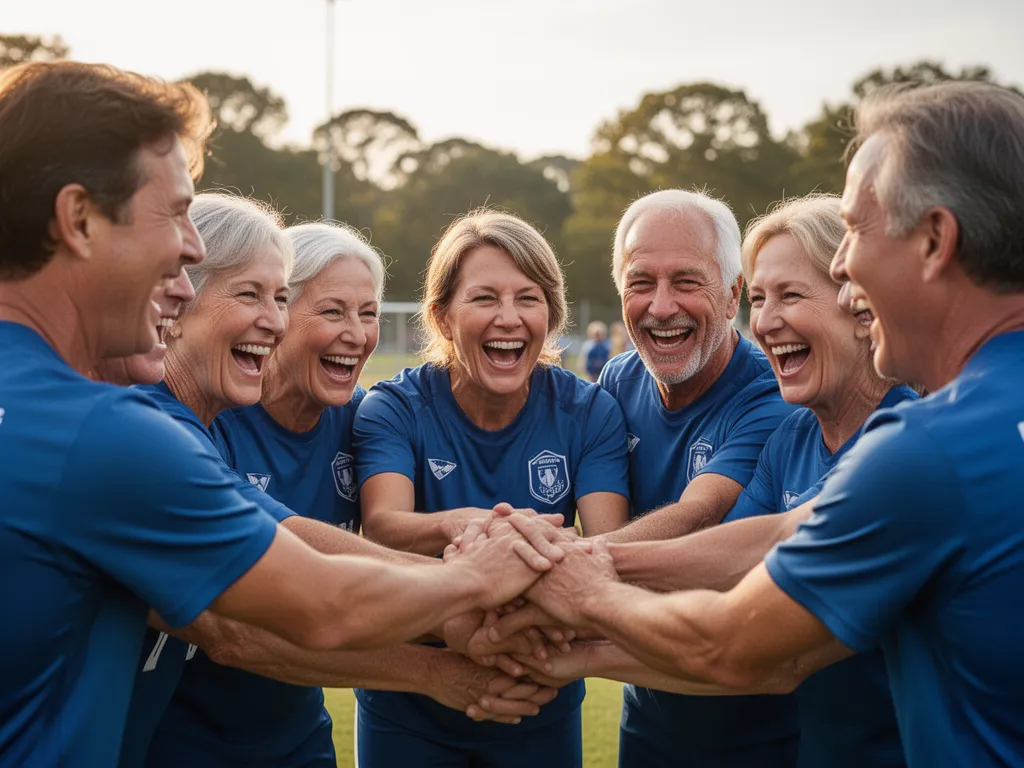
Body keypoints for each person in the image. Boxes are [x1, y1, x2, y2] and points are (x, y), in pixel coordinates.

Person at [0, 62, 565, 767]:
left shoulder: (80, 417)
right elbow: (318, 604)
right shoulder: (103, 433)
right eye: (172, 213)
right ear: (78, 219)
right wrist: (484, 576)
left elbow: (284, 550)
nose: (191, 249)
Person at [514, 81, 1024, 768]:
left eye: (857, 229)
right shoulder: (899, 440)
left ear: (935, 240)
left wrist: (578, 587)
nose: (845, 266)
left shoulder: (929, 450)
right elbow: (777, 537)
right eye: (761, 297)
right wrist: (591, 567)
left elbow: (739, 644)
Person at [502, 195, 914, 768]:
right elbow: (734, 564)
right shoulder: (794, 437)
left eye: (791, 295)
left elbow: (770, 652)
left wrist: (564, 579)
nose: (766, 321)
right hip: (681, 719)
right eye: (762, 299)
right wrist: (565, 630)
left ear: (861, 304)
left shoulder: (905, 441)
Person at [147, 216, 556, 766]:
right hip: (179, 745)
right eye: (333, 311)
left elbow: (378, 557)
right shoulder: (197, 418)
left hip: (299, 740)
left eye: (368, 314)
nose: (358, 334)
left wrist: (487, 565)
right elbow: (245, 618)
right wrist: (466, 601)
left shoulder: (364, 420)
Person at [353, 209, 631, 767]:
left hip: (540, 700)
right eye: (484, 298)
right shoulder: (393, 407)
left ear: (551, 315)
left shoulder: (589, 411)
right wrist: (482, 528)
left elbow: (609, 550)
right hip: (407, 710)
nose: (509, 318)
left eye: (528, 298)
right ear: (442, 316)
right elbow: (383, 528)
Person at [593, 189, 798, 767]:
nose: (661, 307)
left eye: (686, 281)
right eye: (641, 282)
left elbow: (698, 513)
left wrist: (556, 570)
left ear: (732, 294)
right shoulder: (616, 381)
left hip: (762, 729)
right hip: (649, 713)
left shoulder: (772, 396)